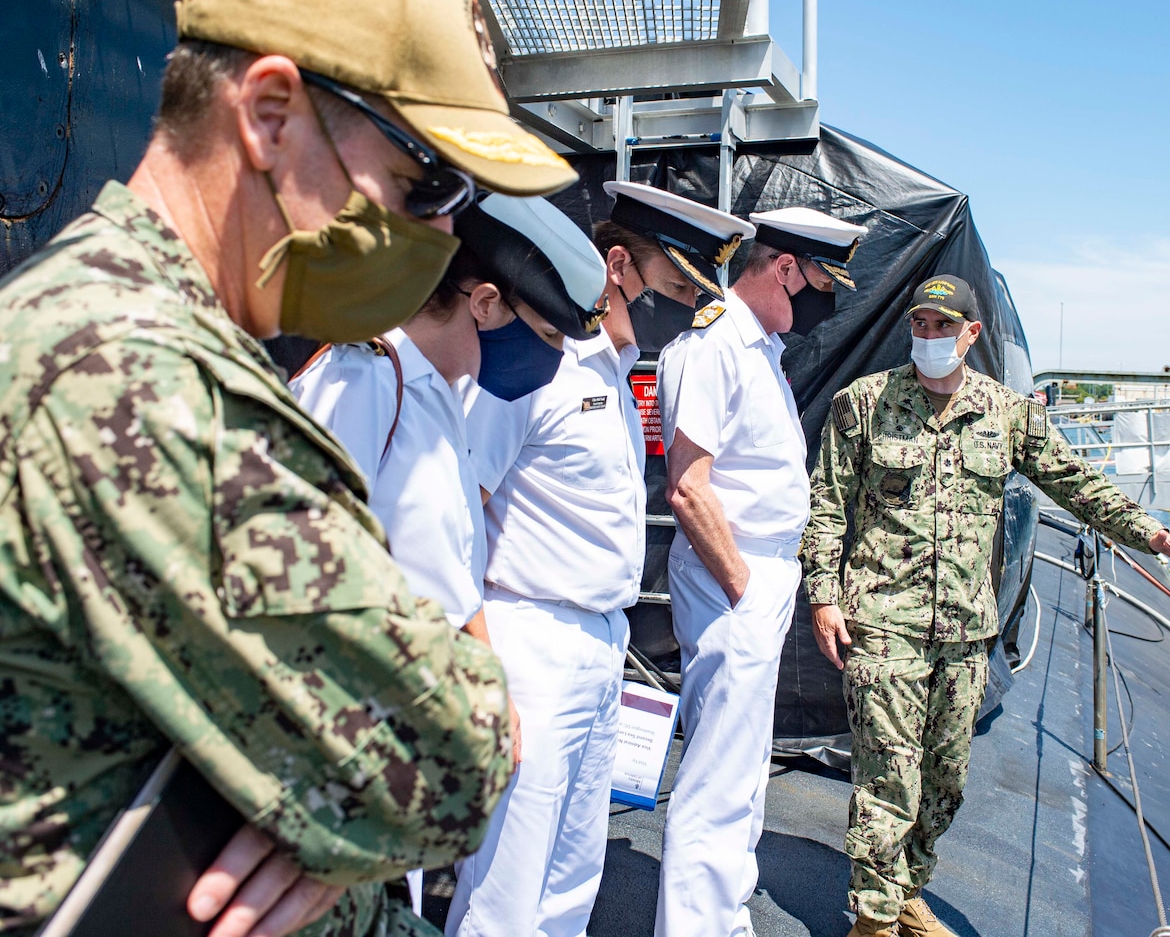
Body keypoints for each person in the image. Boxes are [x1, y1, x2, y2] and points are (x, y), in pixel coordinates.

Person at [0, 0, 577, 937]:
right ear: (269, 113)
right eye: (424, 181)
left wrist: (325, 818)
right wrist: (348, 801)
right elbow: (459, 758)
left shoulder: (104, 314)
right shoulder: (146, 379)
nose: (442, 232)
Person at [801, 275, 1170, 937]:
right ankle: (874, 920)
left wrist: (1155, 535)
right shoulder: (866, 404)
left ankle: (906, 891)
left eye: (945, 326)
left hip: (966, 632)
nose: (931, 336)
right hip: (885, 621)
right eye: (922, 325)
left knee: (944, 781)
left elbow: (1074, 481)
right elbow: (826, 506)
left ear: (971, 334)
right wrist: (825, 596)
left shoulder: (1008, 413)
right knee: (889, 777)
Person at [290, 192, 606, 914]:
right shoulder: (363, 377)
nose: (555, 360)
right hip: (336, 744)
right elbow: (301, 575)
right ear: (486, 304)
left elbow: (447, 579)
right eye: (550, 337)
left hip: (395, 743)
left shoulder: (436, 396)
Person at [445, 186, 698, 937]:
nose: (683, 306)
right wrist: (478, 664)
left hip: (598, 642)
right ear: (618, 266)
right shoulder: (537, 363)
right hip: (528, 641)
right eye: (675, 285)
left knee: (572, 875)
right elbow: (460, 510)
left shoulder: (614, 375)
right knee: (506, 885)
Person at [654, 206, 865, 937]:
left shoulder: (759, 348)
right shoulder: (713, 347)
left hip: (758, 576)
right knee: (719, 774)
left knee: (743, 774)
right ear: (783, 269)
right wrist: (743, 587)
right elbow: (688, 485)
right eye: (816, 281)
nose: (820, 301)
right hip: (733, 578)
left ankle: (723, 918)